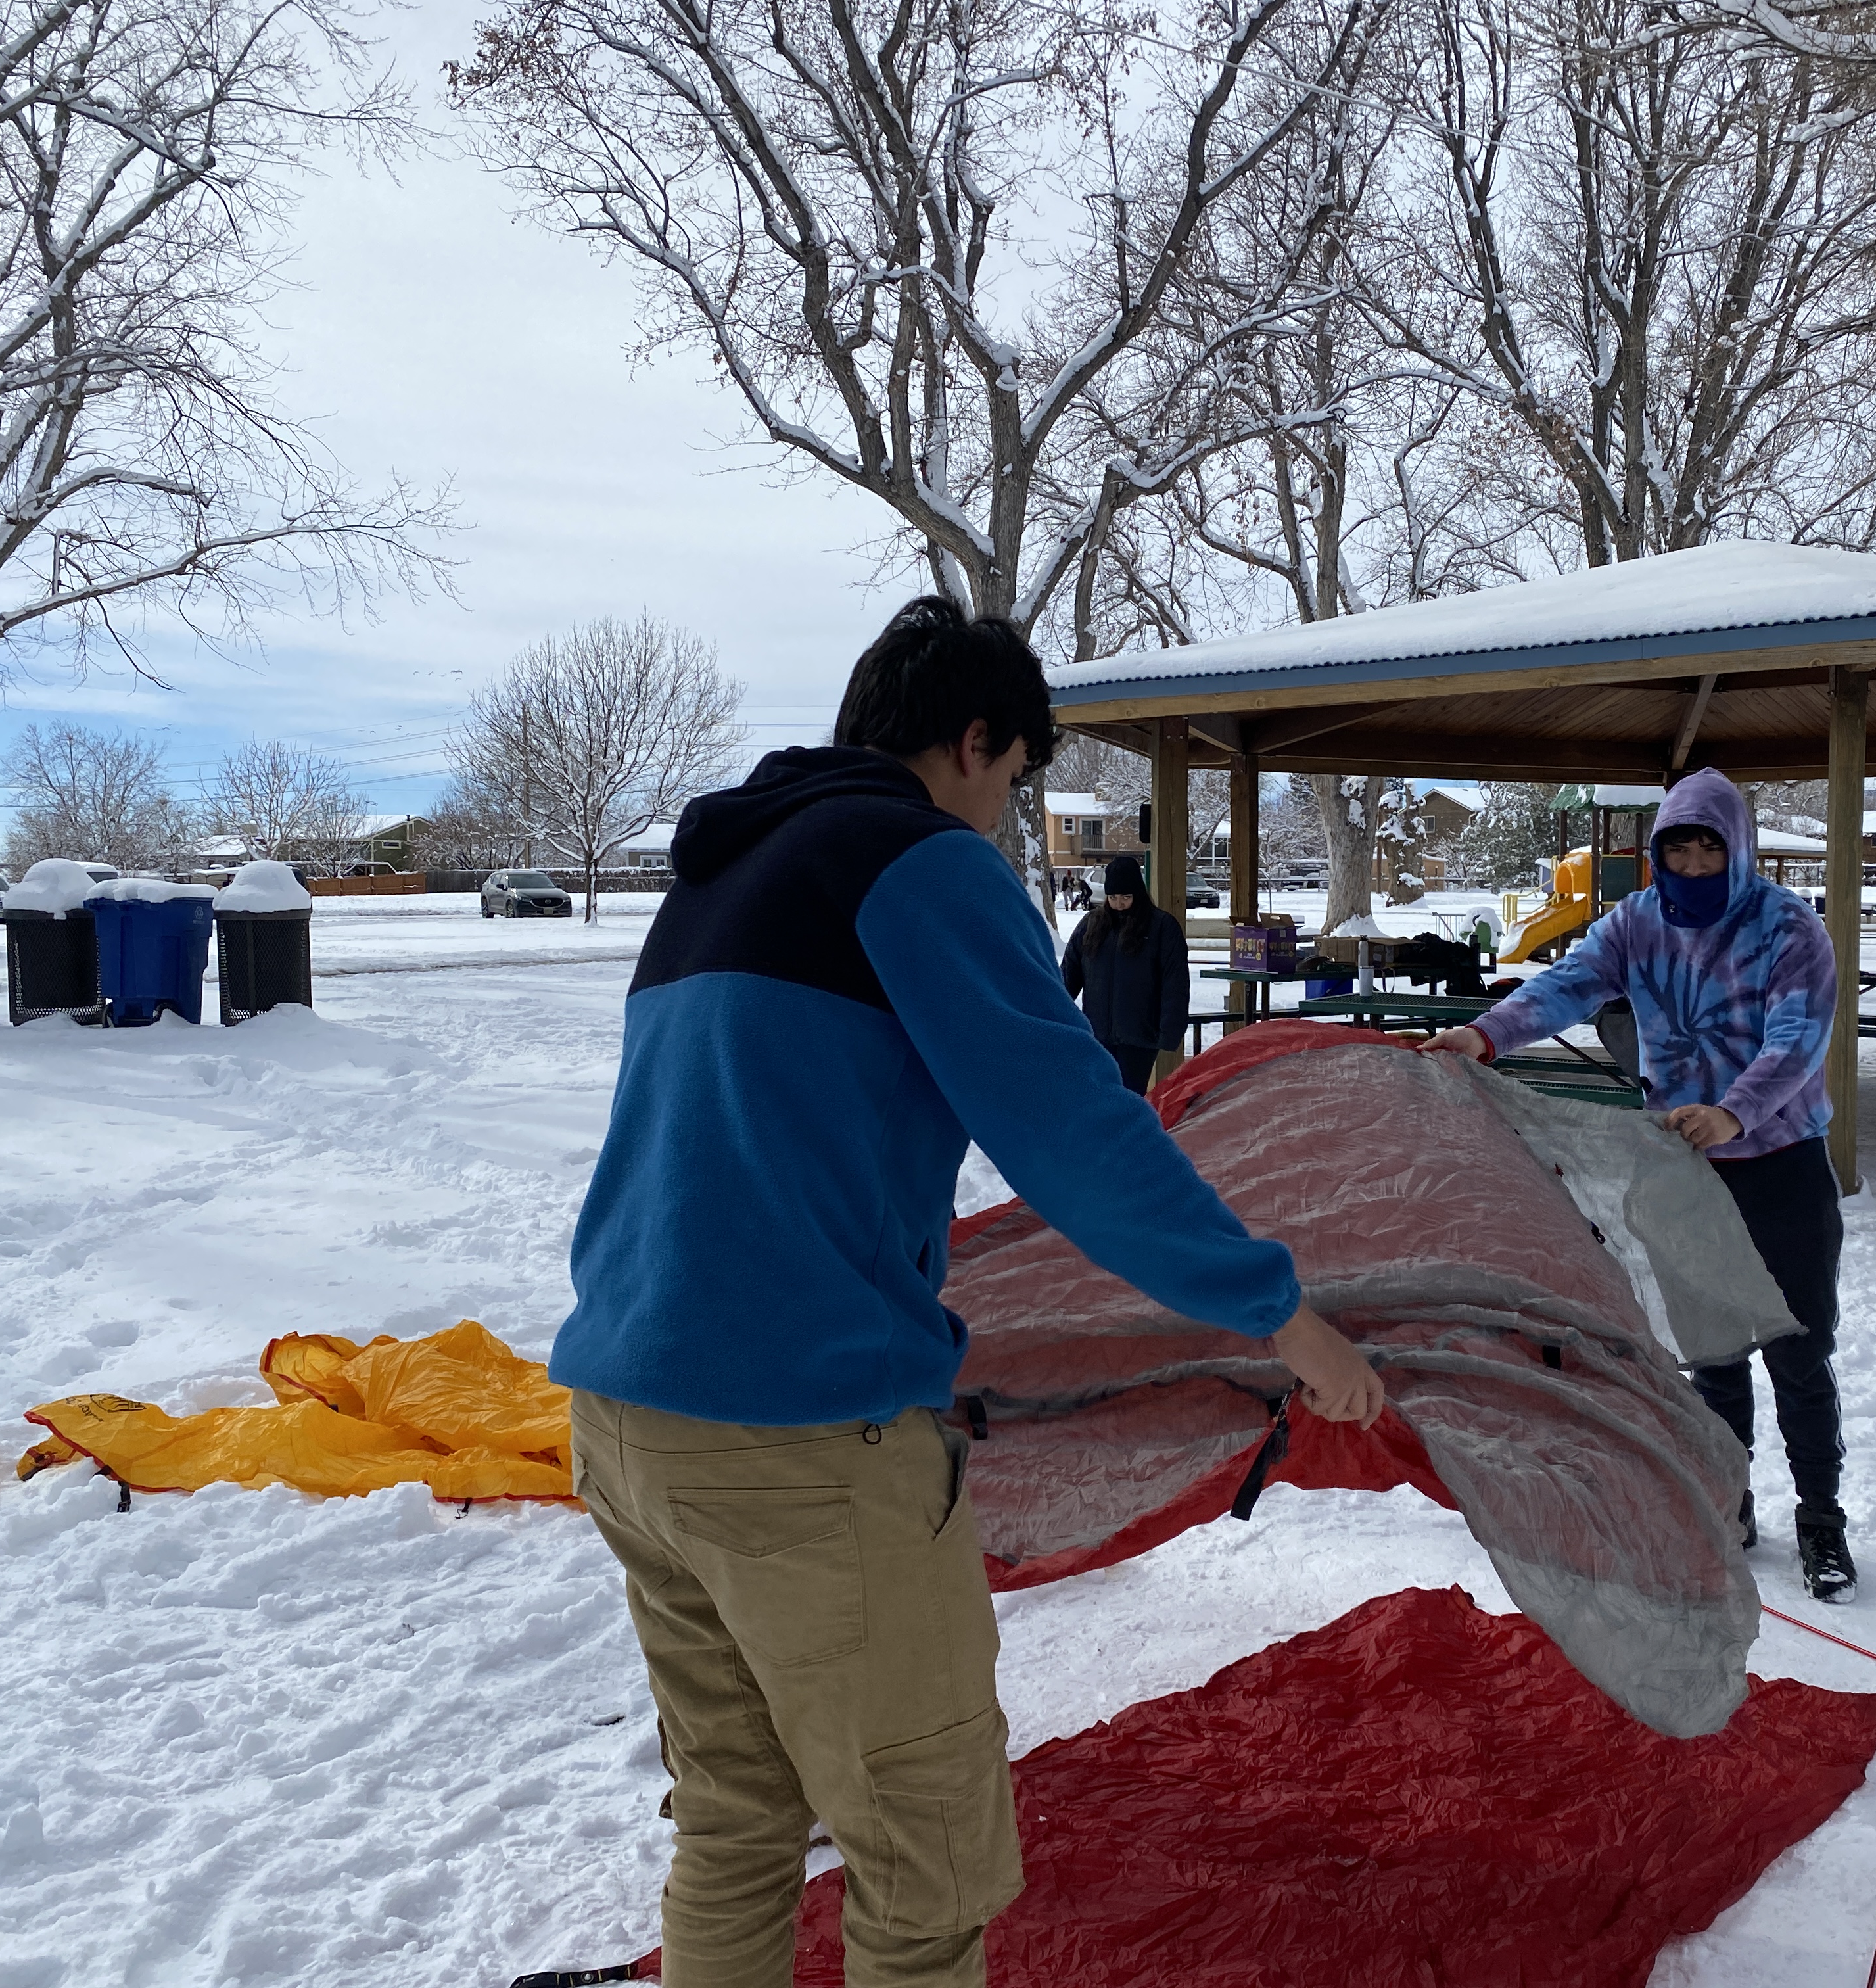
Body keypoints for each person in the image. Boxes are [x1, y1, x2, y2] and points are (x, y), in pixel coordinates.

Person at [551, 597, 1385, 1988]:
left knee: (740, 1822)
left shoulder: (722, 870)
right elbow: (1078, 1136)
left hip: (632, 1417)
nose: (1005, 812)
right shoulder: (918, 865)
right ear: (975, 740)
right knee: (924, 1863)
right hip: (803, 1444)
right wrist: (1283, 1316)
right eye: (1011, 779)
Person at [1420, 768, 1855, 1604]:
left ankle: (1822, 1520)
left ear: (1738, 850)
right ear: (1656, 855)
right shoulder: (1636, 923)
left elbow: (1800, 1038)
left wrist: (1735, 1113)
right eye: (1677, 849)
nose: (1692, 865)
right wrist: (1485, 1035)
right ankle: (1727, 1502)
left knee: (1799, 1351)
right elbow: (1566, 986)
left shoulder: (1787, 928)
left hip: (1780, 1166)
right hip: (1681, 1168)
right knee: (1714, 1355)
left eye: (1708, 848)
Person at [1060, 851, 1190, 1093]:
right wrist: (1054, 1014)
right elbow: (1069, 974)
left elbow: (1175, 982)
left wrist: (1170, 1030)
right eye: (1113, 897)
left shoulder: (1162, 927)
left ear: (1138, 894)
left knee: (1129, 1097)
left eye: (1126, 897)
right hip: (1097, 1033)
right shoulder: (1091, 925)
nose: (1119, 904)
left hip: (1140, 1035)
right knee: (1099, 1097)